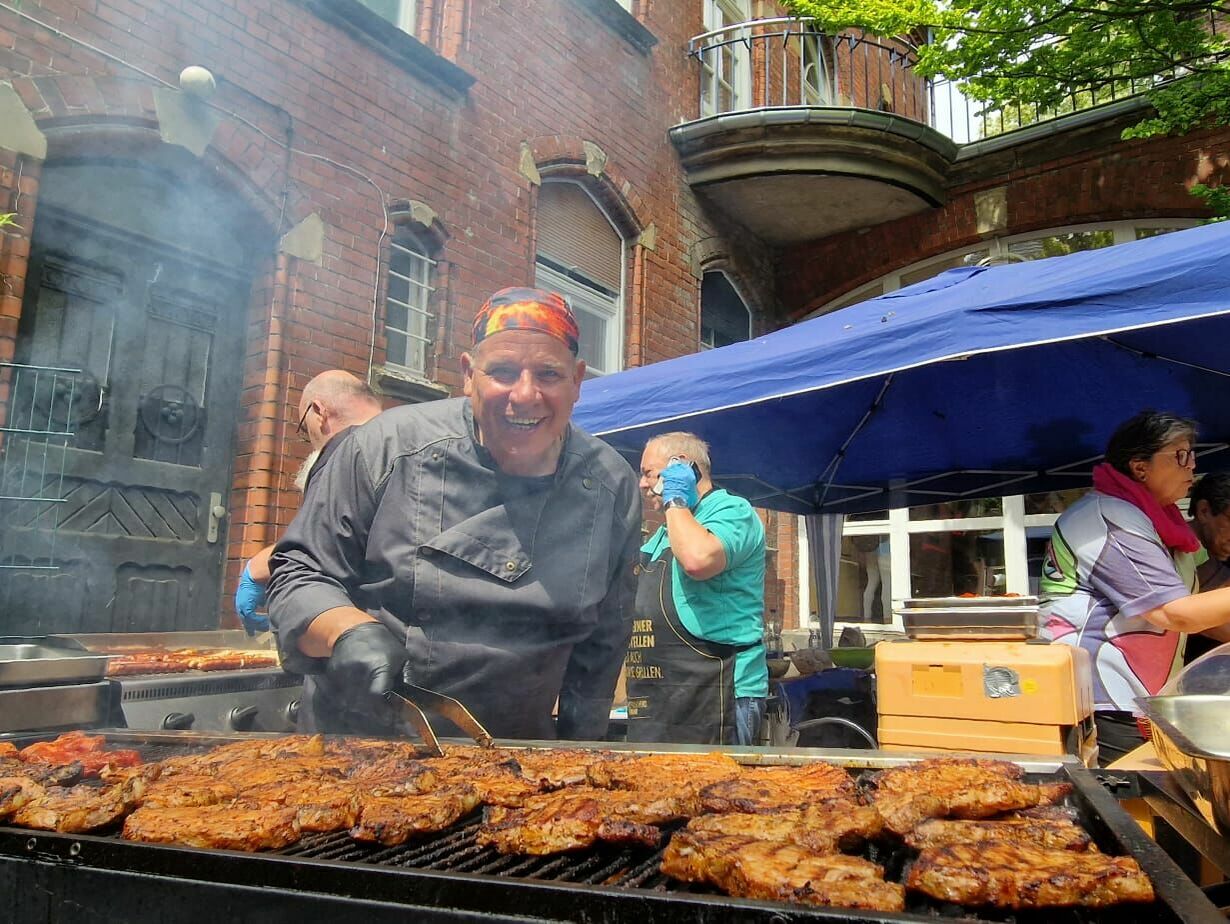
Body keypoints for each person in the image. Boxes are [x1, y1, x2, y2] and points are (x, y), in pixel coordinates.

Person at [266, 287, 642, 740]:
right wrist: (345, 630)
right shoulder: (384, 448)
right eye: (502, 372)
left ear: (578, 380)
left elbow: (604, 643)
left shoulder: (611, 485)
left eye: (548, 374)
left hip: (514, 756)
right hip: (365, 747)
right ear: (468, 374)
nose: (525, 395)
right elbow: (298, 573)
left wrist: (582, 759)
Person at [1041, 411, 1230, 765]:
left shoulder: (1160, 523)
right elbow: (1174, 613)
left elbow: (1202, 613)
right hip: (1104, 702)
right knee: (1131, 814)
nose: (1192, 466)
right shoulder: (1109, 520)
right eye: (1181, 455)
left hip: (1136, 699)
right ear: (1140, 467)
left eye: (1193, 455)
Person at [625, 432, 768, 746]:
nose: (641, 484)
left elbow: (697, 559)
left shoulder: (732, 511)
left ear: (683, 468)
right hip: (661, 702)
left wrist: (675, 497)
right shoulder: (665, 533)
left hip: (718, 698)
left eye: (649, 473)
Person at [234, 371, 382, 634]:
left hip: (367, 637)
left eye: (304, 429)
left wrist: (258, 567)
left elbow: (329, 548)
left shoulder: (347, 453)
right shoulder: (412, 440)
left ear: (319, 411)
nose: (309, 441)